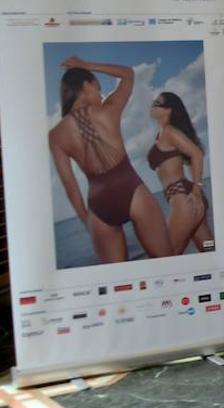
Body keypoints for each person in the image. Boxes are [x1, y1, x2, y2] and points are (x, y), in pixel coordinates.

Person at [49, 57, 171, 263]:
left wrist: (87, 221)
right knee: (166, 265)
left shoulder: (56, 135)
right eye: (97, 88)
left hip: (98, 205)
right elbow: (128, 74)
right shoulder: (108, 109)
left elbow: (71, 187)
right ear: (86, 85)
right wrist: (87, 65)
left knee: (118, 283)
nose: (100, 94)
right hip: (132, 190)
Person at [147, 91, 214, 254]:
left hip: (184, 199)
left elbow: (196, 154)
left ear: (169, 110)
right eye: (154, 102)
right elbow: (190, 159)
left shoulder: (169, 132)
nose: (153, 105)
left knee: (167, 257)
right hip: (185, 198)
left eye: (158, 103)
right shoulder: (162, 134)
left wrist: (196, 191)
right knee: (209, 252)